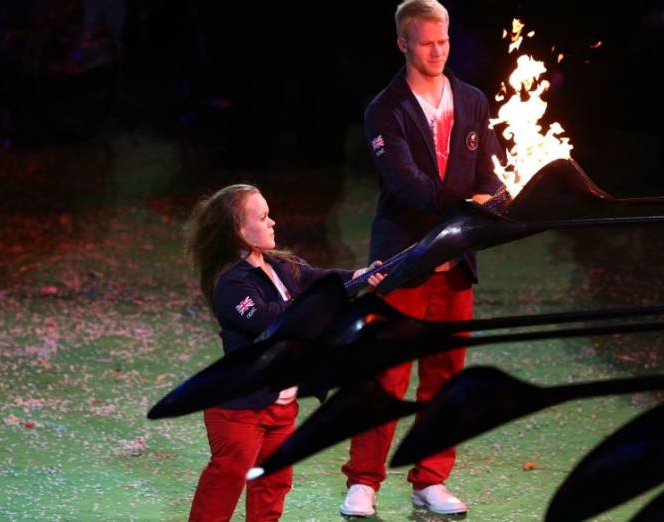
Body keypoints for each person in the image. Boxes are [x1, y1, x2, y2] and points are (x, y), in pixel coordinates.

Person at [340, 0, 505, 517]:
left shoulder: (474, 100)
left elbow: (489, 175)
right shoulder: (384, 109)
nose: (438, 51)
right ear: (403, 44)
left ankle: (430, 479)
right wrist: (466, 206)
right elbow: (405, 184)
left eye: (445, 41)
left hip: (456, 266)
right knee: (384, 375)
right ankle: (363, 482)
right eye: (427, 43)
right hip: (402, 262)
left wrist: (495, 198)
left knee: (445, 376)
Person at [185, 184, 382, 522]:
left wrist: (359, 277)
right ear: (239, 231)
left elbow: (317, 279)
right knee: (227, 479)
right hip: (238, 407)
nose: (272, 222)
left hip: (279, 401)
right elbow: (269, 320)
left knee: (273, 483)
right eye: (262, 217)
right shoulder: (230, 283)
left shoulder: (278, 264)